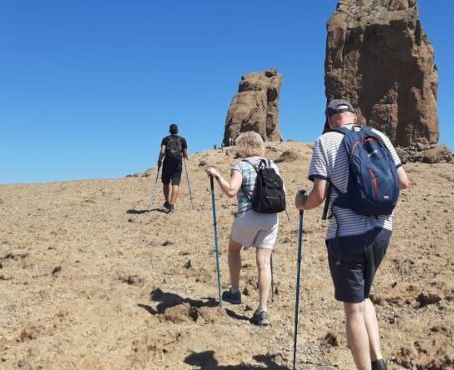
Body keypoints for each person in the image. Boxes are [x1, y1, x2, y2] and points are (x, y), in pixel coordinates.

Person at [295, 99, 410, 370]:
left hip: (346, 235)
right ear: (354, 116)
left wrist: (301, 203)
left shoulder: (326, 141)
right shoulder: (378, 135)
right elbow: (404, 181)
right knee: (364, 296)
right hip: (382, 231)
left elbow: (319, 195)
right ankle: (377, 361)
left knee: (353, 308)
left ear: (330, 119)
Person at [205, 131, 281, 326]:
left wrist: (217, 176)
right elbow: (283, 192)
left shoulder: (241, 165)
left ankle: (235, 292)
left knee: (234, 249)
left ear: (242, 146)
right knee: (264, 262)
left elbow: (231, 191)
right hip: (271, 217)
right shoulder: (272, 164)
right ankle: (262, 309)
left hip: (249, 215)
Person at [157, 123, 188, 213]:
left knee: (166, 183)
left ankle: (167, 201)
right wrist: (183, 155)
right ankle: (172, 205)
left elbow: (162, 152)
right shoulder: (182, 139)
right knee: (175, 184)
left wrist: (159, 161)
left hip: (167, 163)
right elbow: (186, 154)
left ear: (169, 131)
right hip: (178, 164)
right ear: (177, 130)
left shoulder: (165, 139)